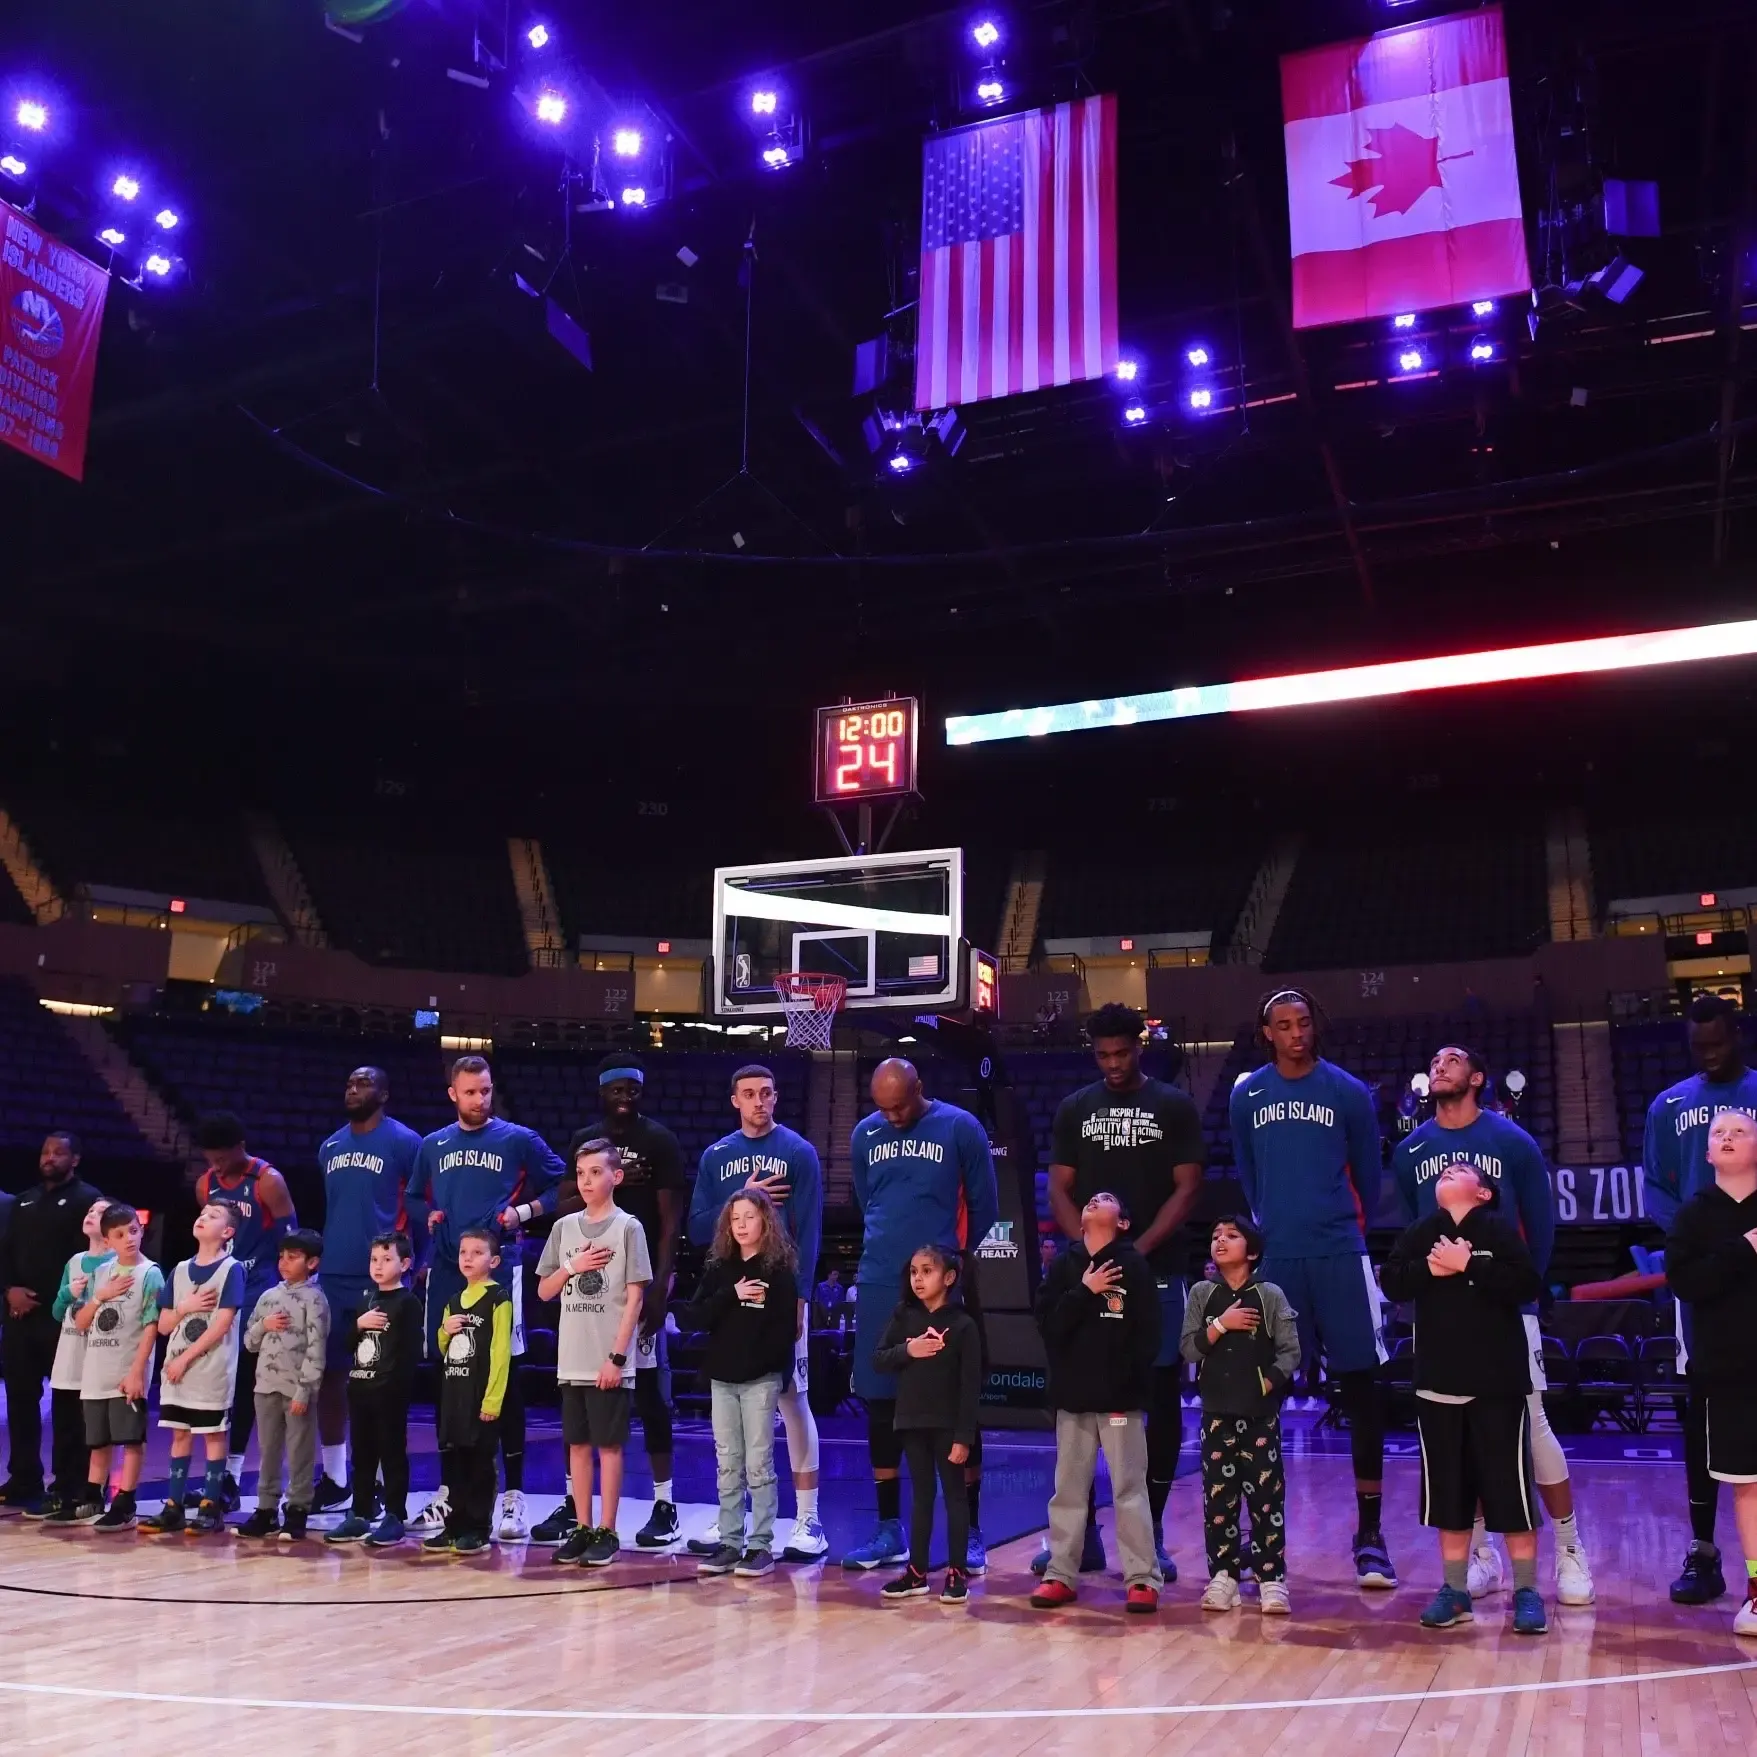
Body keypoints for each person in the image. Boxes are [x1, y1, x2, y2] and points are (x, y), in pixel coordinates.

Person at [1393, 1044, 1593, 1606]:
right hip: (1441, 1318)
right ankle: (1481, 1556)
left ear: (1478, 1077)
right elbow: (1414, 1231)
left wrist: (1517, 1292)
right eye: (1433, 1061)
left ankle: (1570, 1548)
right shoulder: (1411, 1150)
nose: (1439, 1066)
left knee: (1533, 1427)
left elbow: (1540, 1229)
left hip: (1504, 1310)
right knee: (1458, 1437)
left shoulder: (1513, 1141)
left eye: (1452, 1060)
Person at [1229, 988, 1396, 1589]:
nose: (1296, 1033)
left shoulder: (1348, 1092)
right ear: (1266, 1033)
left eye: (1303, 1023)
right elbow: (1249, 1173)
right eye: (1284, 1025)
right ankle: (1261, 1534)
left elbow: (1370, 1178)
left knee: (1362, 1387)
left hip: (1340, 1252)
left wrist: (1340, 1228)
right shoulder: (1246, 1095)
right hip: (1279, 1256)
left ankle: (1370, 1535)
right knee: (1262, 1394)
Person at [1041, 1004, 1204, 1577]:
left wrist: (1131, 1251)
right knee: (1080, 1393)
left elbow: (1188, 1189)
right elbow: (1059, 1188)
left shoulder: (1173, 1105)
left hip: (1156, 1269)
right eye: (1103, 1055)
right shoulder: (1074, 1108)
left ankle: (1149, 1534)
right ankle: (1079, 1538)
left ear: (1140, 1047)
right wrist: (1088, 1249)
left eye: (1122, 1052)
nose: (1112, 1063)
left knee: (1156, 1396)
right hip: (1089, 1271)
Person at [843, 1059, 999, 1573]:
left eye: (899, 1106)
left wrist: (947, 1269)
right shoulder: (865, 1134)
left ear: (920, 1089)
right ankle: (889, 1529)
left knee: (954, 1401)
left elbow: (985, 1207)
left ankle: (969, 1530)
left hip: (940, 1286)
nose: (891, 1116)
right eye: (882, 1108)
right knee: (880, 1400)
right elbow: (867, 1199)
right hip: (879, 1279)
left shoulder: (959, 1127)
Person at [1381, 1162, 1547, 1637]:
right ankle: (1454, 1590)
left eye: (1460, 1170)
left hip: (1498, 1384)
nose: (1448, 1173)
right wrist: (1431, 1269)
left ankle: (1526, 1591)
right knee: (1449, 1495)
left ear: (1484, 1193)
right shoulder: (1421, 1231)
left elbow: (1527, 1284)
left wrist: (1470, 1264)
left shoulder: (1499, 1231)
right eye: (1445, 1170)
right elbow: (1392, 1280)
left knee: (1511, 1491)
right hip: (1437, 1381)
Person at [530, 1053, 687, 1551]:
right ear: (601, 1092)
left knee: (650, 1396)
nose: (624, 1097)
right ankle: (575, 1507)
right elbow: (564, 1203)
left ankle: (664, 1502)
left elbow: (671, 1221)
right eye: (615, 1089)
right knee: (578, 1414)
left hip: (635, 1283)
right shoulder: (584, 1142)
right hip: (586, 1290)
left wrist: (661, 1285)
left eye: (632, 1089)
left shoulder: (659, 1140)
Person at [407, 1054, 564, 1541]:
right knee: (449, 1377)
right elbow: (412, 1196)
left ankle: (513, 1495)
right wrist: (429, 1215)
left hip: (500, 1269)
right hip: (448, 1271)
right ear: (452, 1094)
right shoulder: (433, 1144)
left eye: (486, 1090)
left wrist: (525, 1211)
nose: (480, 1099)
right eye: (471, 1091)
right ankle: (450, 1492)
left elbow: (564, 1185)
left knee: (505, 1375)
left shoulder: (518, 1139)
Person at [1643, 992, 1757, 1606]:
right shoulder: (1669, 1105)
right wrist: (1701, 1243)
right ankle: (1705, 1552)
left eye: (1717, 1043)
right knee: (1706, 1413)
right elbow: (1657, 1189)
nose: (1709, 1055)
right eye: (1698, 1047)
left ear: (1737, 1034)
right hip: (1708, 1285)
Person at [688, 1063, 827, 1561]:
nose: (759, 1102)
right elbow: (698, 1227)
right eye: (748, 1094)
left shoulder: (799, 1152)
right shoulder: (716, 1155)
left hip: (780, 1290)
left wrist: (802, 1296)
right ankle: (733, 1520)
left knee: (792, 1399)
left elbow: (810, 1227)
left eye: (766, 1093)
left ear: (776, 1097)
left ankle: (809, 1518)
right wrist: (743, 1196)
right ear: (734, 1100)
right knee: (732, 1419)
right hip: (733, 1291)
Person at [1030, 1192, 1164, 1616]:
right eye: (1091, 1198)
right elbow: (1048, 1325)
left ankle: (1142, 1578)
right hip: (1073, 1398)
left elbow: (1149, 1336)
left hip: (1120, 1400)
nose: (1094, 1200)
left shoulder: (1134, 1266)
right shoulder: (1064, 1265)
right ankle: (1060, 1574)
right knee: (1068, 1490)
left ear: (1122, 1223)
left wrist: (1125, 1383)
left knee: (1129, 1489)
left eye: (1106, 1200)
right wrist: (1084, 1291)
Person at [534, 1138, 650, 1568]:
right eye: (581, 1173)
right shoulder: (564, 1228)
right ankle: (582, 1527)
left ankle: (607, 1529)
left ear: (615, 1176)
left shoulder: (629, 1228)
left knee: (609, 1447)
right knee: (578, 1446)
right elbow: (544, 1291)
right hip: (572, 1358)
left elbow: (635, 1299)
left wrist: (617, 1358)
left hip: (608, 1360)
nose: (586, 1181)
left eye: (596, 1172)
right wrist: (572, 1267)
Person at [1665, 1109, 1757, 1639]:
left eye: (1739, 1131)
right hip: (1727, 1366)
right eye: (1717, 1133)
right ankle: (1756, 1588)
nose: (1726, 1137)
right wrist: (1743, 1249)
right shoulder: (1694, 1214)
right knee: (1747, 1482)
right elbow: (1687, 1282)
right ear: (1705, 1153)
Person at [315, 1066, 423, 1513]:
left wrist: (418, 1263)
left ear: (384, 1093)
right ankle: (335, 1478)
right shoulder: (329, 1146)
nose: (353, 1089)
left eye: (363, 1083)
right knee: (330, 1376)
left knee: (380, 1382)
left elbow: (421, 1206)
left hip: (381, 1277)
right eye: (349, 1083)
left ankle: (379, 1484)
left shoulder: (406, 1142)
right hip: (333, 1275)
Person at [1180, 1215, 1301, 1615]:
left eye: (1231, 1236)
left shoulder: (1269, 1294)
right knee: (1219, 1501)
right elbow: (1189, 1349)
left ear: (1251, 1251)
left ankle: (1271, 1578)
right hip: (1216, 1414)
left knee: (1266, 1499)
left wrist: (1266, 1384)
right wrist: (1220, 1324)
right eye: (1215, 1235)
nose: (1220, 1241)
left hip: (1260, 1414)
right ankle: (1224, 1576)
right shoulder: (1202, 1292)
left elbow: (1291, 1351)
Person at [687, 1190, 799, 1579]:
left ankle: (761, 1545)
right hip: (722, 1379)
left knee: (758, 1464)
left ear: (765, 1221)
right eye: (735, 1218)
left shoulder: (779, 1271)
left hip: (760, 1381)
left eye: (749, 1217)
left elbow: (786, 1330)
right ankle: (730, 1542)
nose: (741, 1225)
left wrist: (770, 1370)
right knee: (728, 1463)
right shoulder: (720, 1268)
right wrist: (730, 1294)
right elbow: (693, 1316)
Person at [192, 1111, 297, 1506]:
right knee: (216, 1383)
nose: (216, 1166)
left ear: (240, 1147)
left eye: (222, 1157)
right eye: (210, 1158)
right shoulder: (206, 1184)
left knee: (245, 1385)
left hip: (259, 1290)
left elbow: (291, 1240)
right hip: (220, 1290)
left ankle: (232, 1477)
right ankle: (217, 1475)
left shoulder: (268, 1181)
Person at [0, 1131, 104, 1517]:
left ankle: (67, 1482)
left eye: (59, 1152)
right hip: (19, 1316)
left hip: (63, 1316)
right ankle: (24, 1477)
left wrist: (45, 1297)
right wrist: (10, 1290)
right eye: (45, 1151)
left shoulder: (87, 1199)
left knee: (66, 1404)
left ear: (75, 1159)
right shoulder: (24, 1200)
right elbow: (5, 1252)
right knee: (20, 1399)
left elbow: (87, 1258)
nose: (49, 1157)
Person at [872, 1245, 983, 1605]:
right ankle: (916, 1572)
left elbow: (970, 1386)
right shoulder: (904, 1316)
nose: (918, 1279)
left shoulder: (964, 1325)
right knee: (921, 1495)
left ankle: (956, 1571)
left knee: (954, 1495)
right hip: (911, 1421)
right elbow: (879, 1359)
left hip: (948, 1425)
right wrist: (909, 1350)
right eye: (914, 1272)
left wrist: (964, 1436)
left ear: (949, 1278)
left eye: (927, 1271)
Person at [140, 1200, 247, 1535]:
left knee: (213, 1435)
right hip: (177, 1369)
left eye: (213, 1216)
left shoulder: (232, 1269)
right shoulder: (180, 1270)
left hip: (209, 1368)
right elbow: (164, 1324)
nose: (203, 1218)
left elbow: (221, 1325)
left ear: (227, 1231)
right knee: (179, 1433)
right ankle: (173, 1506)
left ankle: (210, 1506)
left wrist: (185, 1359)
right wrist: (185, 1306)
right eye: (202, 1213)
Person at [327, 1231, 422, 1547]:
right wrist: (358, 1324)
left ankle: (394, 1514)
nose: (378, 1266)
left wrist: (396, 1389)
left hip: (389, 1393)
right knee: (362, 1454)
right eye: (374, 1259)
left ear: (404, 1264)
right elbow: (346, 1344)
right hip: (360, 1389)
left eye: (387, 1259)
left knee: (391, 1454)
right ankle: (360, 1511)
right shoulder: (366, 1299)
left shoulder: (408, 1303)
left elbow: (410, 1353)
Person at [236, 1228, 331, 1542]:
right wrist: (263, 1326)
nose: (284, 1263)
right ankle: (266, 1508)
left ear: (312, 1262)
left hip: (296, 1389)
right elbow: (249, 1342)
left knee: (299, 1449)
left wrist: (305, 1389)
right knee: (268, 1450)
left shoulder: (314, 1300)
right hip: (265, 1386)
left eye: (293, 1257)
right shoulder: (268, 1296)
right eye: (281, 1257)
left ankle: (298, 1508)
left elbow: (316, 1349)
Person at [426, 1229, 513, 1555]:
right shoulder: (453, 1302)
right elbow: (443, 1348)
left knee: (479, 1462)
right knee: (455, 1462)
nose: (468, 1258)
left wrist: (492, 1400)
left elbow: (500, 1352)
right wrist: (444, 1331)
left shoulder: (498, 1298)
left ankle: (477, 1528)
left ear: (494, 1261)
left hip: (481, 1396)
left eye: (477, 1253)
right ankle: (455, 1525)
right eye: (464, 1252)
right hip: (454, 1394)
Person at [78, 1205, 163, 1534]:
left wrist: (137, 1371)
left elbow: (151, 1326)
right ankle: (92, 1496)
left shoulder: (150, 1273)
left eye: (133, 1230)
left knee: (130, 1439)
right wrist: (100, 1296)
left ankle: (125, 1502)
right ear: (108, 1241)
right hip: (96, 1371)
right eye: (120, 1234)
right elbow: (82, 1322)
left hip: (127, 1370)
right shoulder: (102, 1273)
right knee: (98, 1442)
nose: (129, 1238)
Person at [39, 1198, 114, 1524]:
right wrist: (66, 1294)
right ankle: (62, 1490)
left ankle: (89, 1492)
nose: (91, 1215)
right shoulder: (74, 1261)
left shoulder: (117, 1265)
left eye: (100, 1213)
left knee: (91, 1431)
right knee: (65, 1429)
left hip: (97, 1359)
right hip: (68, 1358)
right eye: (90, 1211)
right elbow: (58, 1313)